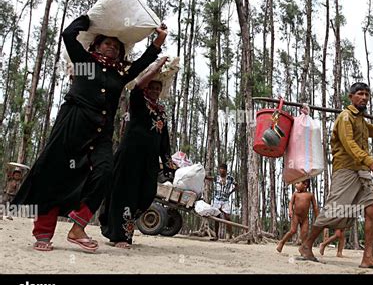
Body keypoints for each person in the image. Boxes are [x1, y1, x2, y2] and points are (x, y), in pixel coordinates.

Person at [12, 14, 168, 252]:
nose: (112, 48)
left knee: (105, 173)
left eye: (116, 46)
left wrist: (158, 42)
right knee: (55, 177)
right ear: (96, 45)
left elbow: (140, 65)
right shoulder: (85, 63)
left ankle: (78, 227)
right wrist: (90, 18)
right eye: (107, 43)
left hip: (101, 134)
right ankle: (43, 233)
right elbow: (68, 35)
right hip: (72, 128)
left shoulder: (120, 74)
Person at [299, 82, 373, 270]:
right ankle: (306, 245)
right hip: (346, 170)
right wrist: (370, 161)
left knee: (372, 209)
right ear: (351, 97)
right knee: (334, 210)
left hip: (362, 171)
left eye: (367, 95)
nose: (364, 98)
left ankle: (368, 257)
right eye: (360, 94)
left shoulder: (361, 120)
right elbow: (349, 144)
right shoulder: (346, 117)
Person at [99, 56, 173, 249]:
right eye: (152, 88)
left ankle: (122, 230)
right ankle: (121, 236)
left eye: (158, 88)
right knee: (125, 195)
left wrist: (168, 166)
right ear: (146, 89)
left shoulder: (161, 113)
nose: (155, 91)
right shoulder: (138, 103)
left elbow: (164, 141)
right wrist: (156, 66)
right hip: (129, 158)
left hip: (148, 162)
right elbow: (138, 85)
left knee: (146, 194)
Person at [276, 179, 318, 253]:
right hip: (296, 216)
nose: (295, 185)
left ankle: (303, 249)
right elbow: (291, 203)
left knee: (305, 233)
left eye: (298, 183)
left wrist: (317, 216)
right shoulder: (295, 194)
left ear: (305, 184)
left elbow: (315, 206)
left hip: (305, 218)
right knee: (292, 231)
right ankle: (282, 242)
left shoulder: (310, 195)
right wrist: (290, 211)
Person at [206, 163, 237, 241]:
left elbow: (237, 185)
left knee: (227, 217)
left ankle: (230, 235)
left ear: (226, 171)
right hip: (217, 200)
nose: (221, 171)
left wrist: (231, 192)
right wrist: (204, 176)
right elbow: (210, 178)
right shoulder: (217, 178)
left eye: (223, 169)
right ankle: (216, 236)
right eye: (220, 169)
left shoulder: (230, 179)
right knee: (217, 217)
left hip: (225, 200)